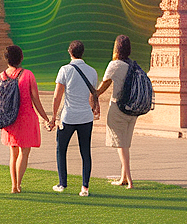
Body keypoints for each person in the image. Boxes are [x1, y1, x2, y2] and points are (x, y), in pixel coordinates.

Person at [0, 44, 52, 193]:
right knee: (24, 152)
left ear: (6, 59)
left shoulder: (2, 75)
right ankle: (18, 185)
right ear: (21, 58)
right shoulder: (28, 75)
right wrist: (46, 118)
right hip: (26, 118)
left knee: (13, 153)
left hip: (10, 119)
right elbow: (36, 99)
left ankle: (13, 185)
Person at [51, 40, 99, 197]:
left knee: (61, 149)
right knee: (85, 151)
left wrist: (54, 117)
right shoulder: (92, 71)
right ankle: (85, 187)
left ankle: (62, 183)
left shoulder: (65, 70)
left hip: (69, 116)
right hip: (86, 116)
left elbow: (57, 96)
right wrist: (93, 109)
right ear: (82, 52)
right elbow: (92, 95)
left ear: (69, 52)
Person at [96, 34, 137, 189]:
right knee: (125, 144)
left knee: (121, 145)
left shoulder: (115, 65)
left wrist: (93, 95)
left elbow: (104, 86)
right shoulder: (133, 65)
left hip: (118, 107)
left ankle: (130, 180)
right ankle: (123, 178)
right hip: (132, 109)